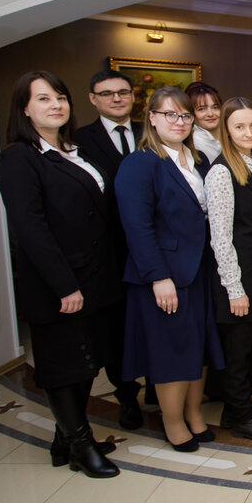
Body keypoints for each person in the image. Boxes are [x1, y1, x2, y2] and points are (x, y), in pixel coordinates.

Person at [0, 71, 122, 477]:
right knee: (65, 366)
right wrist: (64, 285)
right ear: (24, 109)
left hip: (95, 278)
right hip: (60, 284)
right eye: (44, 98)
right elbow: (30, 229)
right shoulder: (19, 158)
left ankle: (63, 439)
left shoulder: (72, 151)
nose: (56, 105)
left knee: (87, 363)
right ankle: (82, 447)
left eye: (61, 97)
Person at [115, 86, 224, 452]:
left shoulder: (198, 160)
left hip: (199, 270)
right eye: (170, 114)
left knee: (198, 346)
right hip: (165, 276)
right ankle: (173, 421)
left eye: (185, 115)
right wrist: (158, 277)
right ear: (152, 118)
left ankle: (194, 413)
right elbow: (137, 226)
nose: (179, 122)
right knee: (172, 351)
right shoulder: (141, 163)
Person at [204, 97, 252, 442]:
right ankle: (240, 414)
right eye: (239, 126)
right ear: (226, 130)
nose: (248, 132)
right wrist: (234, 288)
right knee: (239, 352)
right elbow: (220, 236)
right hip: (237, 276)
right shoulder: (221, 172)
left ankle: (235, 406)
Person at [73, 69, 145, 429]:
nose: (116, 98)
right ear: (93, 98)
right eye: (107, 93)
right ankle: (127, 395)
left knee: (154, 320)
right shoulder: (79, 140)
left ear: (132, 96)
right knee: (117, 328)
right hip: (110, 251)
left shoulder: (151, 131)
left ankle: (159, 386)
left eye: (122, 92)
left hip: (152, 246)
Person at [186, 82, 224, 163]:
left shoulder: (228, 132)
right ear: (191, 113)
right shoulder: (196, 141)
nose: (210, 114)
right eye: (201, 109)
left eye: (215, 107)